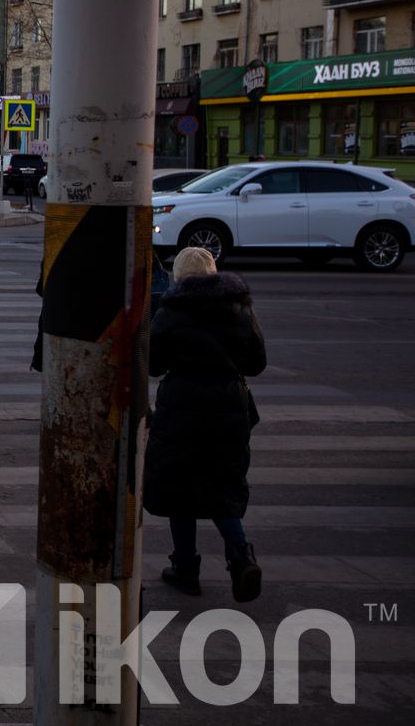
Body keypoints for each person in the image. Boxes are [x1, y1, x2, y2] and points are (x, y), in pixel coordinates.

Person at [144, 246, 267, 603]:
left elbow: (152, 363)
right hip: (229, 406)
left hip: (181, 403)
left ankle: (185, 568)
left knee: (179, 485)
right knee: (222, 484)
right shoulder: (241, 308)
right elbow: (257, 362)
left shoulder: (170, 311)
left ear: (178, 276)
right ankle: (242, 555)